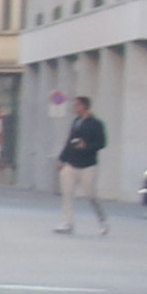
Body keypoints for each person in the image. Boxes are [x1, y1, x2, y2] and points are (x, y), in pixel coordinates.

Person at [55, 97, 108, 235]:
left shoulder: (96, 124)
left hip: (88, 165)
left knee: (91, 195)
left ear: (84, 107)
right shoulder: (76, 122)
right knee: (67, 194)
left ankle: (102, 220)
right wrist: (61, 159)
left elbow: (102, 143)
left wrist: (86, 146)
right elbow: (69, 142)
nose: (74, 108)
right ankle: (68, 223)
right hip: (72, 163)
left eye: (77, 105)